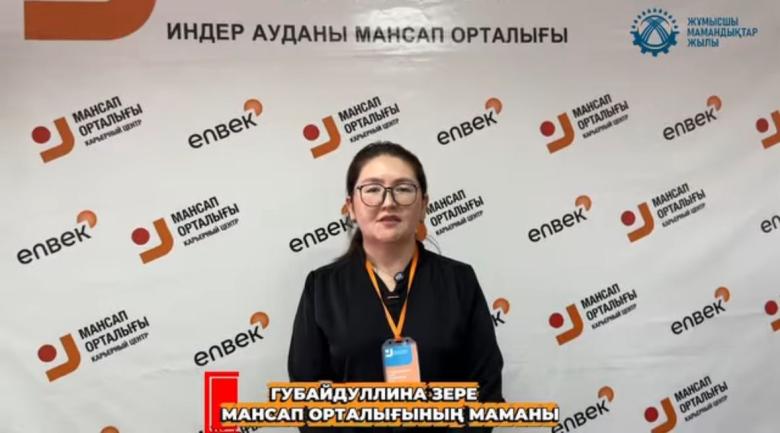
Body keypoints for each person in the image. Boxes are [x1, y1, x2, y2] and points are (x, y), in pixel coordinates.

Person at [288, 141, 504, 432]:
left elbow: (485, 389)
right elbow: (305, 396)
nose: (388, 202)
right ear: (351, 207)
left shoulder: (459, 281)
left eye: (403, 189)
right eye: (373, 189)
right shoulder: (323, 287)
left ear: (423, 205)